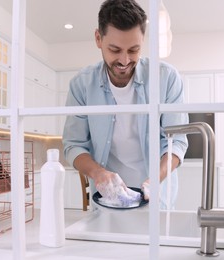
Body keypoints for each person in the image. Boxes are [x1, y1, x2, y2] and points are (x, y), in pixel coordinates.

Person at [62, 0, 188, 209]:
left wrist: (153, 181)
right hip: (107, 201)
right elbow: (73, 145)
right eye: (115, 49)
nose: (124, 60)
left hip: (157, 200)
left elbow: (177, 143)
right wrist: (98, 173)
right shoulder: (81, 84)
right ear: (98, 39)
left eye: (133, 50)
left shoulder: (167, 78)